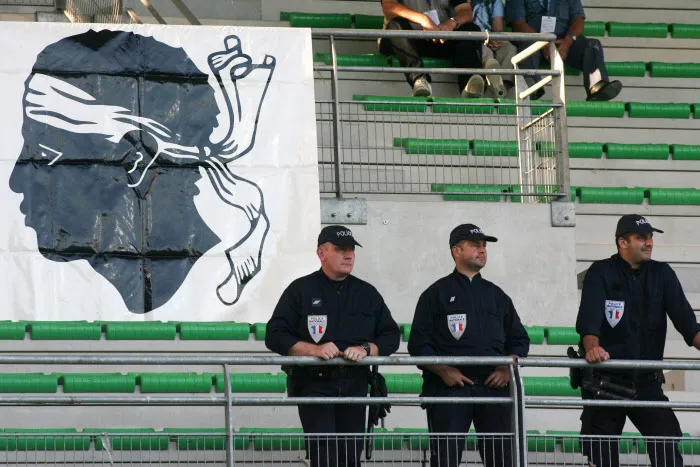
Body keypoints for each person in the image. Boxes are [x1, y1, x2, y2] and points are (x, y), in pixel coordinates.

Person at [265, 225, 400, 467]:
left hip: (355, 386)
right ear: (321, 253)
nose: (348, 255)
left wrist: (367, 349)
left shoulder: (367, 293)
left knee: (350, 459)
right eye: (340, 249)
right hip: (314, 385)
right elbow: (274, 335)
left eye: (351, 250)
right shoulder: (301, 290)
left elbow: (391, 336)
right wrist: (313, 350)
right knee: (323, 458)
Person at [576, 214, 700, 467]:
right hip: (605, 381)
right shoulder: (601, 271)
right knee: (601, 456)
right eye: (641, 238)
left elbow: (688, 324)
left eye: (650, 237)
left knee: (667, 447)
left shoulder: (662, 274)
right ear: (623, 243)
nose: (649, 243)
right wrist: (592, 348)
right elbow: (589, 320)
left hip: (646, 382)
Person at [408, 223, 530, 467]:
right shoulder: (435, 294)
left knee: (502, 460)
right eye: (475, 245)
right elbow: (418, 345)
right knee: (445, 460)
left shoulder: (497, 295)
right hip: (449, 390)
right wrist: (444, 371)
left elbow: (519, 340)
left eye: (484, 246)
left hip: (493, 390)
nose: (482, 250)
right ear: (456, 251)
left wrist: (506, 369)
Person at [505, 0, 622, 101]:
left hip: (563, 41)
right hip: (533, 40)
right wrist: (543, 42)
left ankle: (597, 86)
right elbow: (518, 24)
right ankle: (531, 89)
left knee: (593, 45)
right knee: (527, 44)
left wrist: (568, 40)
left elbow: (578, 20)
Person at [379, 0, 485, 98]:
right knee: (395, 26)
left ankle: (470, 86)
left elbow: (465, 10)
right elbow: (389, 7)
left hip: (440, 38)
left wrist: (452, 23)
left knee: (471, 28)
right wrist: (423, 19)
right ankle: (419, 80)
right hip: (408, 41)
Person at [469, 0, 518, 98]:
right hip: (471, 39)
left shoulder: (495, 2)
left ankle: (502, 88)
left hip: (489, 37)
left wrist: (495, 39)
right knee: (486, 52)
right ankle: (492, 87)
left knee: (510, 48)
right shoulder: (461, 2)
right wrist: (482, 39)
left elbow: (498, 28)